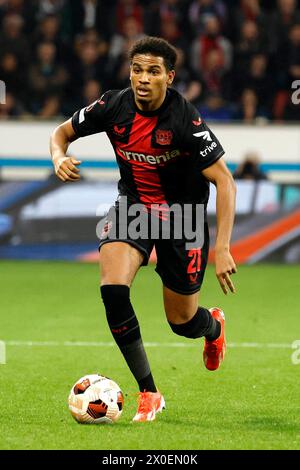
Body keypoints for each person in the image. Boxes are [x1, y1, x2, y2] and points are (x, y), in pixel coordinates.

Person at [50, 36, 237, 423]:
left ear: (169, 77)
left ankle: (213, 326)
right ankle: (149, 391)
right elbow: (61, 133)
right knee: (113, 289)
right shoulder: (112, 105)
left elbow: (225, 181)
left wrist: (222, 248)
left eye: (153, 71)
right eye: (137, 69)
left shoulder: (184, 118)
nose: (143, 78)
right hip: (133, 208)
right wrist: (58, 156)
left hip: (182, 218)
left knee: (182, 321)